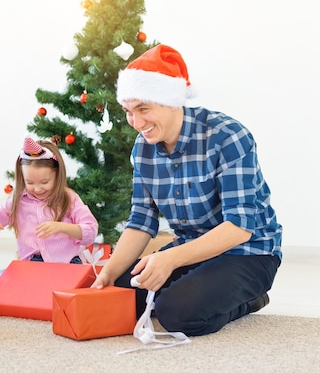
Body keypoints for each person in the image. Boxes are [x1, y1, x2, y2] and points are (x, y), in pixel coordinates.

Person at [91, 44, 282, 337]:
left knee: (175, 313)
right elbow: (141, 222)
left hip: (249, 252)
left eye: (144, 109)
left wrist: (169, 259)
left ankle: (250, 300)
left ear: (172, 101)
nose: (137, 123)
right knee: (121, 292)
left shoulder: (228, 137)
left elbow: (239, 228)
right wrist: (109, 272)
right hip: (192, 248)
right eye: (129, 112)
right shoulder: (143, 149)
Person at [0, 137, 99, 295]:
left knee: (69, 296)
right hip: (32, 265)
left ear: (57, 175)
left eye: (44, 182)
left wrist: (61, 227)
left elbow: (90, 231)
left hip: (67, 264)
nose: (38, 188)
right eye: (30, 183)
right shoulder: (18, 200)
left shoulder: (69, 198)